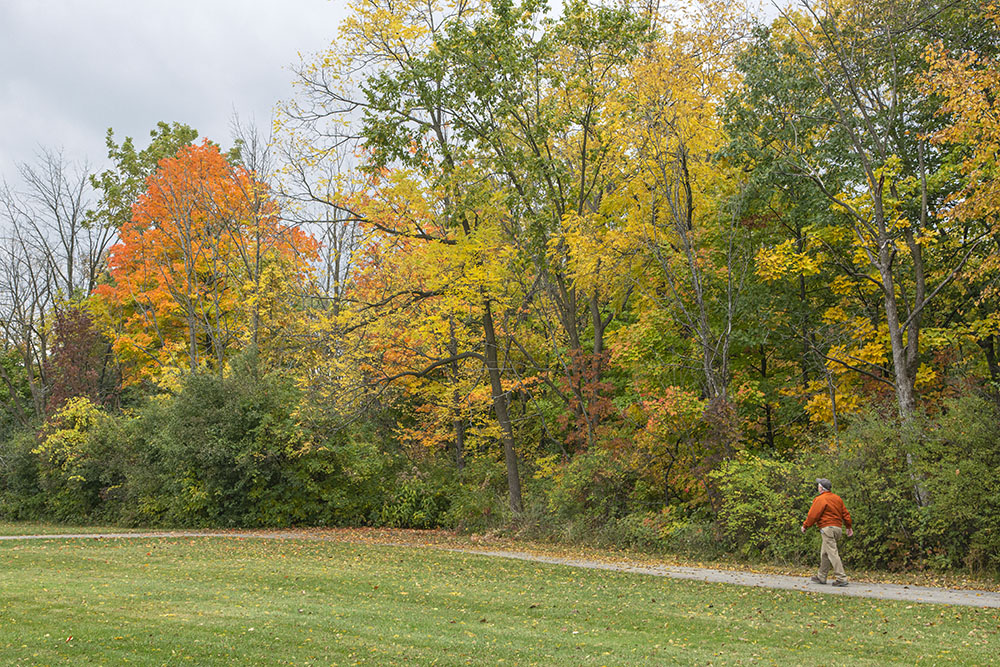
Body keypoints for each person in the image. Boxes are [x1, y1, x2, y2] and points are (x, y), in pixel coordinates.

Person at [801, 478, 853, 587]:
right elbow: (845, 514)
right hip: (838, 529)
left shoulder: (820, 499)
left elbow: (813, 515)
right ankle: (821, 576)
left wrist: (805, 525)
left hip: (827, 528)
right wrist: (848, 526)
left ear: (821, 488)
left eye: (818, 485)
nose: (817, 487)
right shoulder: (837, 498)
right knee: (825, 553)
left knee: (832, 553)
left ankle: (841, 578)